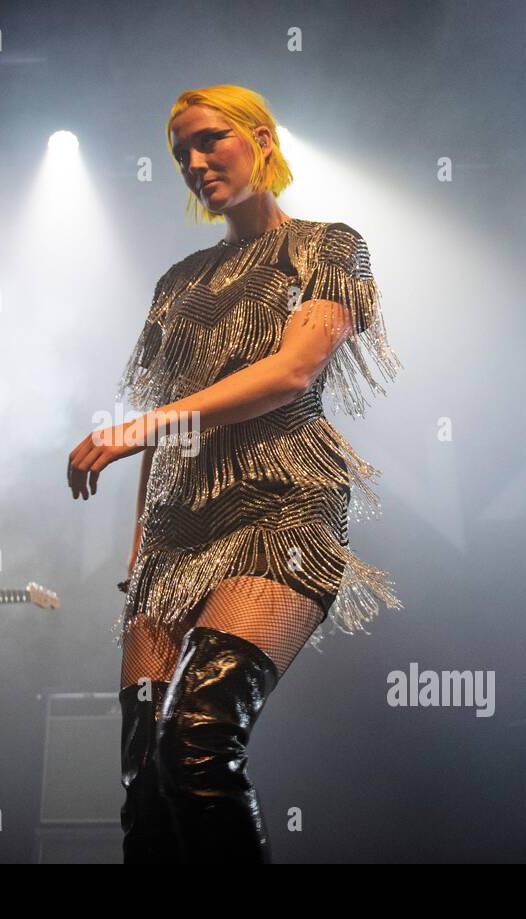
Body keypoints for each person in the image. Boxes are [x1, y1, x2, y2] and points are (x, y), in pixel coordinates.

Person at [66, 85, 403, 863]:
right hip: (176, 531)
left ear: (261, 138)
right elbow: (167, 411)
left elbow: (291, 373)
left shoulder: (328, 245)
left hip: (282, 507)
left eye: (210, 139)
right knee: (145, 781)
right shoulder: (178, 282)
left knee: (200, 739)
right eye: (181, 150)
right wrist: (138, 550)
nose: (193, 160)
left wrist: (141, 425)